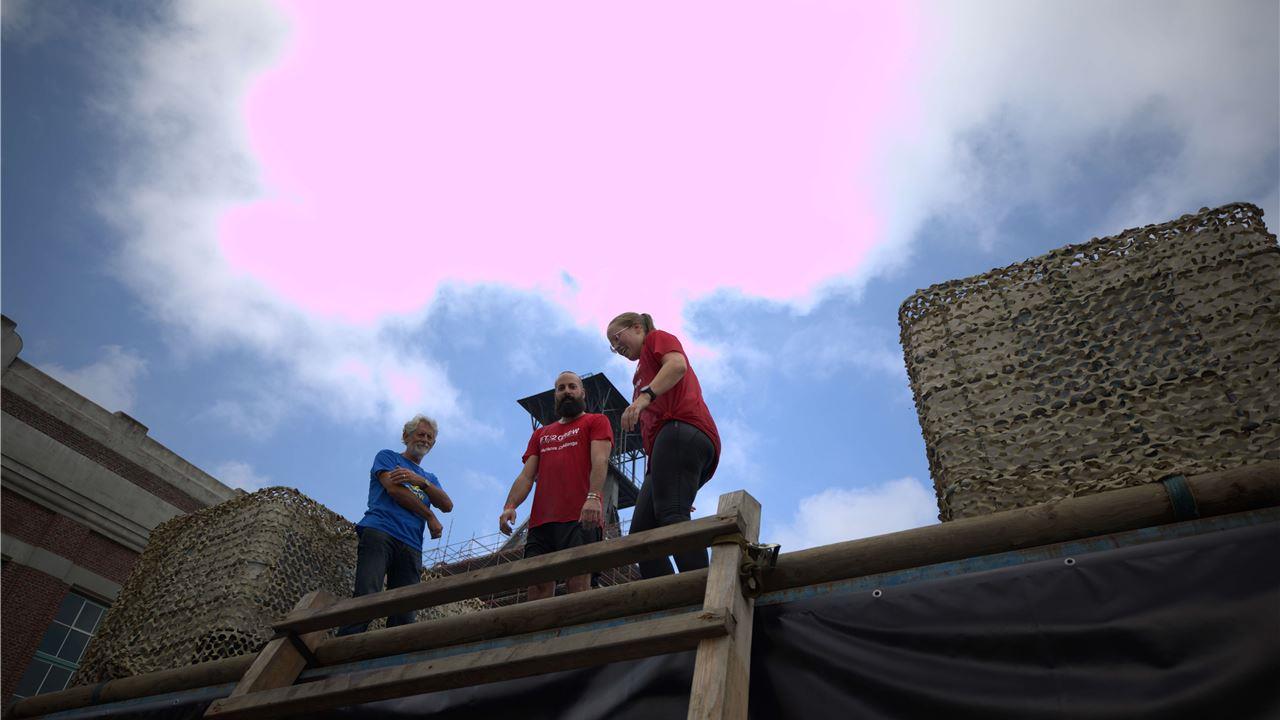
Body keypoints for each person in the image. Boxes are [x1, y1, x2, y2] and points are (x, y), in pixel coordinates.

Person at [605, 312, 720, 578]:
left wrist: (644, 398)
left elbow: (677, 365)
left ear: (637, 327)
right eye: (611, 345)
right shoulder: (640, 372)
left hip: (681, 428)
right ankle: (671, 595)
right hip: (664, 451)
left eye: (617, 337)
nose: (616, 346)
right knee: (640, 538)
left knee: (672, 514)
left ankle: (703, 589)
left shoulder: (656, 339)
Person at [499, 371, 613, 600]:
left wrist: (593, 497)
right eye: (561, 388)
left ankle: (577, 625)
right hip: (542, 522)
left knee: (578, 582)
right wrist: (510, 506)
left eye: (572, 386)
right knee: (537, 586)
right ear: (555, 395)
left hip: (580, 516)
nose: (567, 391)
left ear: (582, 392)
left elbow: (600, 460)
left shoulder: (596, 421)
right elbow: (526, 476)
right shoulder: (541, 434)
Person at [337, 414, 453, 635]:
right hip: (381, 531)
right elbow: (394, 490)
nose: (425, 440)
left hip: (412, 545)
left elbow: (447, 505)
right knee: (367, 598)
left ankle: (392, 654)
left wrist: (421, 482)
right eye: (421, 434)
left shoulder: (429, 477)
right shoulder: (388, 457)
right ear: (406, 436)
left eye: (430, 437)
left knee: (404, 612)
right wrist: (429, 516)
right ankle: (341, 650)